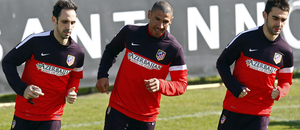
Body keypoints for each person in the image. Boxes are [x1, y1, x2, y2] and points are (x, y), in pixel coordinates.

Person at [95, 1, 188, 129]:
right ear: (149, 14)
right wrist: (102, 75)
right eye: (157, 19)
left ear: (171, 21)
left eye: (165, 21)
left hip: (146, 116)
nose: (160, 25)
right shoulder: (130, 32)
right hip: (118, 108)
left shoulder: (174, 49)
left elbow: (181, 84)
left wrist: (162, 84)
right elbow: (111, 51)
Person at [2, 0, 84, 129]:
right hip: (25, 113)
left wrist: (71, 91)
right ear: (54, 20)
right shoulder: (36, 41)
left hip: (53, 116)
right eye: (64, 22)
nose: (69, 27)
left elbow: (76, 76)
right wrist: (22, 89)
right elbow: (8, 62)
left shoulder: (78, 52)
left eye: (72, 23)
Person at [216, 0, 293, 130]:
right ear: (264, 15)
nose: (279, 24)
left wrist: (280, 91)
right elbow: (222, 63)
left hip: (261, 114)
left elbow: (286, 81)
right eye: (275, 18)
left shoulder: (286, 51)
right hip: (234, 107)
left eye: (283, 20)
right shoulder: (245, 39)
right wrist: (235, 87)